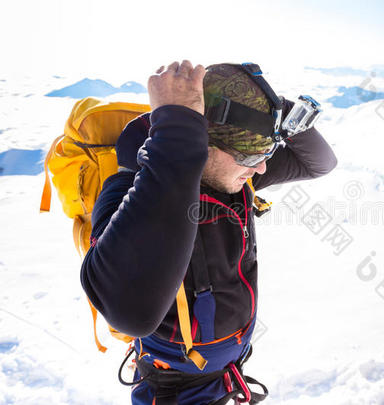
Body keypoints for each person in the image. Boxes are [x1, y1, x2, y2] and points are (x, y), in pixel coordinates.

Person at [80, 60, 337, 404]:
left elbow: (319, 162)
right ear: (203, 148)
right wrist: (177, 130)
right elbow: (132, 316)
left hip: (225, 376)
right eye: (252, 154)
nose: (261, 166)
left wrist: (270, 108)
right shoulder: (132, 192)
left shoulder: (232, 175)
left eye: (266, 151)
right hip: (175, 392)